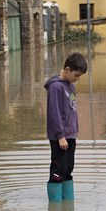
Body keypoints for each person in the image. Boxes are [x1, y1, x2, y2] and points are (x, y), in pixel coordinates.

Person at [44, 52, 87, 202]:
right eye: (76, 75)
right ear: (67, 70)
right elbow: (54, 114)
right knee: (58, 169)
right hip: (60, 138)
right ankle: (55, 206)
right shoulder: (56, 87)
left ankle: (68, 204)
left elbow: (72, 109)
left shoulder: (71, 86)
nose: (77, 79)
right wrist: (61, 136)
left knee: (68, 168)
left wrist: (73, 132)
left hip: (70, 135)